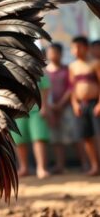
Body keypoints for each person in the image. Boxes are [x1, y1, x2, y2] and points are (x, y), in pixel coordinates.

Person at [45, 42, 79, 174]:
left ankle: (85, 163)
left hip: (67, 108)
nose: (52, 54)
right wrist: (50, 106)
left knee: (75, 136)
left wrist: (61, 104)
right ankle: (60, 165)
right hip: (51, 109)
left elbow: (71, 87)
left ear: (60, 53)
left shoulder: (67, 69)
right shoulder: (45, 71)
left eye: (54, 52)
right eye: (50, 52)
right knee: (56, 139)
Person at [69, 36, 100, 176]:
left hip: (95, 103)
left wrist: (99, 104)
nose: (75, 50)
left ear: (86, 48)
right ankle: (94, 166)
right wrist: (75, 104)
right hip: (81, 105)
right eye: (73, 47)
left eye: (79, 47)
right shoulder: (72, 66)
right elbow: (72, 87)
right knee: (86, 137)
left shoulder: (95, 63)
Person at [10, 73, 51, 179]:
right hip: (18, 109)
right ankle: (24, 168)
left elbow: (44, 87)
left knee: (38, 138)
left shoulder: (35, 67)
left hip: (37, 108)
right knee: (19, 139)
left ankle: (41, 168)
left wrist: (44, 106)